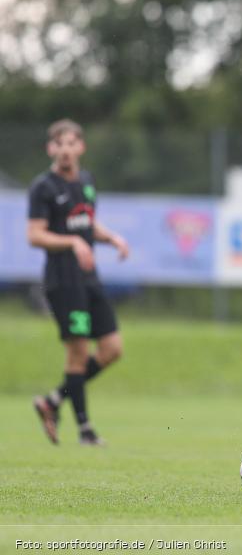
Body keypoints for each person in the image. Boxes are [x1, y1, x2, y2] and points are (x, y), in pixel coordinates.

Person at [28, 119, 130, 446]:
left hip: (89, 277)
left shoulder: (87, 181)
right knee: (78, 352)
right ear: (51, 149)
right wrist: (72, 242)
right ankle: (85, 431)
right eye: (60, 144)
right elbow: (35, 235)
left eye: (72, 143)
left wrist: (111, 237)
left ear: (81, 147)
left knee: (112, 348)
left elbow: (87, 223)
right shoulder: (43, 187)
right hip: (63, 280)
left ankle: (53, 401)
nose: (66, 150)